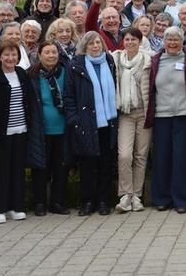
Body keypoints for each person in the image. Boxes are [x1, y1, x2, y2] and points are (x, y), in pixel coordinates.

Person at [0, 39, 37, 224]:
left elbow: (28, 100)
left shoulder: (22, 74)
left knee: (17, 170)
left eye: (14, 55)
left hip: (20, 129)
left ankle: (16, 207)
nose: (10, 58)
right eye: (6, 54)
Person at [64, 31, 118, 217]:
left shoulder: (110, 62)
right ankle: (87, 201)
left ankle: (103, 201)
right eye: (91, 44)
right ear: (84, 47)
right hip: (86, 123)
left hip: (108, 122)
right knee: (87, 166)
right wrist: (75, 120)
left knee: (105, 164)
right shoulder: (75, 66)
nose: (95, 46)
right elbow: (69, 96)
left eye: (98, 43)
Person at [141, 26, 186, 213]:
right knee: (161, 157)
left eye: (176, 39)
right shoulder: (156, 60)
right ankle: (161, 198)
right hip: (161, 115)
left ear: (183, 41)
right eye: (169, 39)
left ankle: (182, 200)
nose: (172, 42)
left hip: (183, 115)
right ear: (163, 41)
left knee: (181, 157)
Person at [110, 28, 152, 213]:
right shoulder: (116, 59)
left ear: (140, 41)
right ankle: (125, 195)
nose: (130, 42)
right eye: (127, 39)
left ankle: (136, 195)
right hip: (125, 113)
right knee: (125, 155)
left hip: (143, 112)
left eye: (134, 39)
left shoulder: (149, 59)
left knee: (141, 156)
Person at [27, 41, 70, 217]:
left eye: (54, 52)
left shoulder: (66, 72)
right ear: (40, 55)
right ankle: (39, 202)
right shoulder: (32, 75)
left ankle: (57, 202)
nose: (51, 55)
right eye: (47, 52)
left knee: (61, 167)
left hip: (63, 128)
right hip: (41, 129)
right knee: (40, 167)